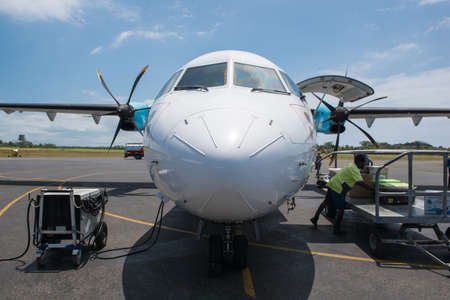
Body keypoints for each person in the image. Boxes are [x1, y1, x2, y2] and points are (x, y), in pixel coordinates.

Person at [310, 153, 372, 235]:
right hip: (338, 188)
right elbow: (360, 182)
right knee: (340, 209)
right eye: (364, 162)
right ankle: (336, 229)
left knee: (326, 202)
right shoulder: (354, 170)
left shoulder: (351, 166)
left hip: (333, 184)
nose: (365, 164)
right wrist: (373, 189)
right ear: (360, 162)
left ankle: (315, 218)